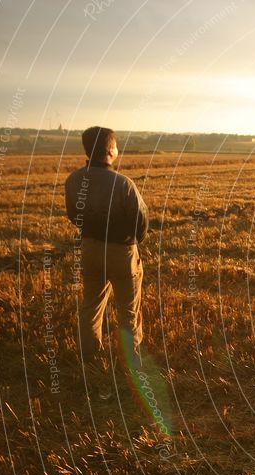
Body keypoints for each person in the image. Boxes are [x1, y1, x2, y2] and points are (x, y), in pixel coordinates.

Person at [65, 126, 149, 401]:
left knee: (91, 305)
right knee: (128, 310)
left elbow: (73, 215)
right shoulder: (124, 184)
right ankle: (132, 364)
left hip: (89, 248)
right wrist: (132, 241)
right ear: (111, 150)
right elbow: (141, 221)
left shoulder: (74, 180)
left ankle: (89, 357)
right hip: (121, 250)